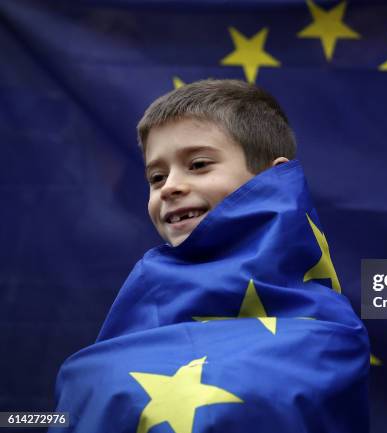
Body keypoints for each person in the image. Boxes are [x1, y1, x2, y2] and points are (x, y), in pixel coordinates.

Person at [50, 79, 370, 433]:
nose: (170, 186)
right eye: (156, 177)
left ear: (274, 177)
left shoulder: (326, 335)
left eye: (199, 164)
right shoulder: (136, 309)